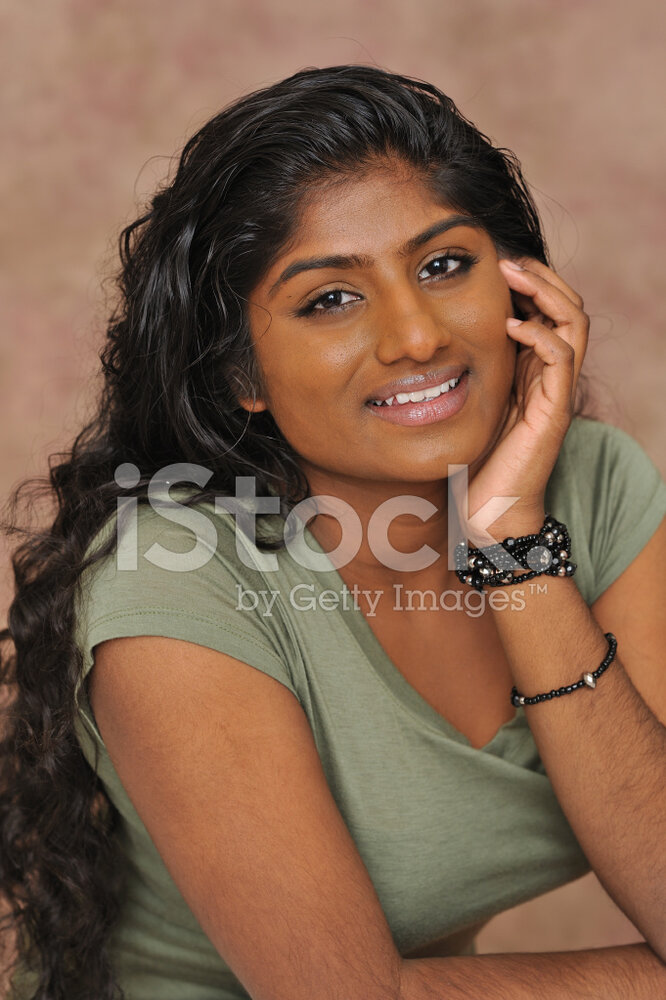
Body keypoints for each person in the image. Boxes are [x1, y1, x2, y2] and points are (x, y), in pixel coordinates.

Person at [1, 64, 665, 1000]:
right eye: (329, 300)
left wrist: (516, 543)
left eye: (444, 266)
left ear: (523, 292)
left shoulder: (594, 487)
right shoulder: (175, 579)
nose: (417, 337)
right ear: (244, 375)